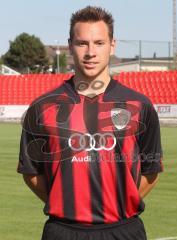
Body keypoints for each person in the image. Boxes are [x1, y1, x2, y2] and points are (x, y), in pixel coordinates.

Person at [17, 6, 163, 240]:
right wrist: (66, 203)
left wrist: (120, 204)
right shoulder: (42, 107)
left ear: (112, 45)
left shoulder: (140, 105)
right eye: (82, 43)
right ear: (70, 45)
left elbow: (151, 170)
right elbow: (31, 172)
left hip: (124, 230)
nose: (90, 52)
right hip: (63, 231)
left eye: (99, 43)